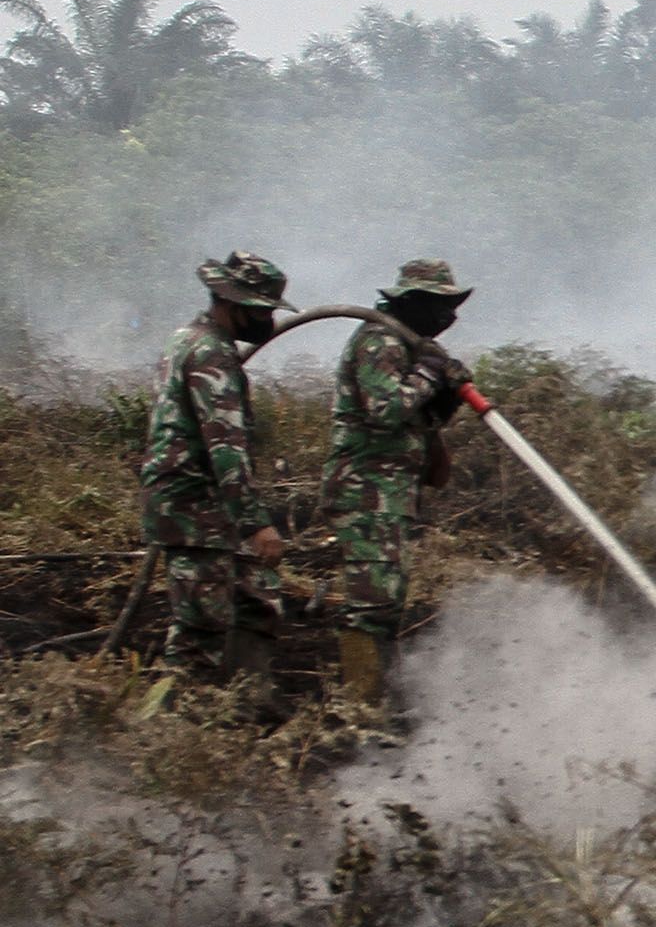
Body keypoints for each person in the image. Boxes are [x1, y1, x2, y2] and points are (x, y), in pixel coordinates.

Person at [323, 258, 474, 705]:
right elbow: (386, 410)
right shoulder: (380, 341)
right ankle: (359, 711)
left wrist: (444, 397)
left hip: (390, 496)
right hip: (365, 492)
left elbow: (418, 421)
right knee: (371, 607)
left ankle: (376, 702)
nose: (450, 317)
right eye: (440, 305)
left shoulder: (407, 349)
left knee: (386, 605)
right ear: (412, 303)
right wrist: (427, 372)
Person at [139, 251, 291, 689]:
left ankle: (246, 704)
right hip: (194, 508)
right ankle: (171, 735)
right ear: (231, 303)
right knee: (199, 631)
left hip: (201, 506)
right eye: (259, 310)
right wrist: (256, 524)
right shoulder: (211, 354)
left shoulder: (187, 339)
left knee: (257, 598)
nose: (266, 320)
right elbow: (225, 447)